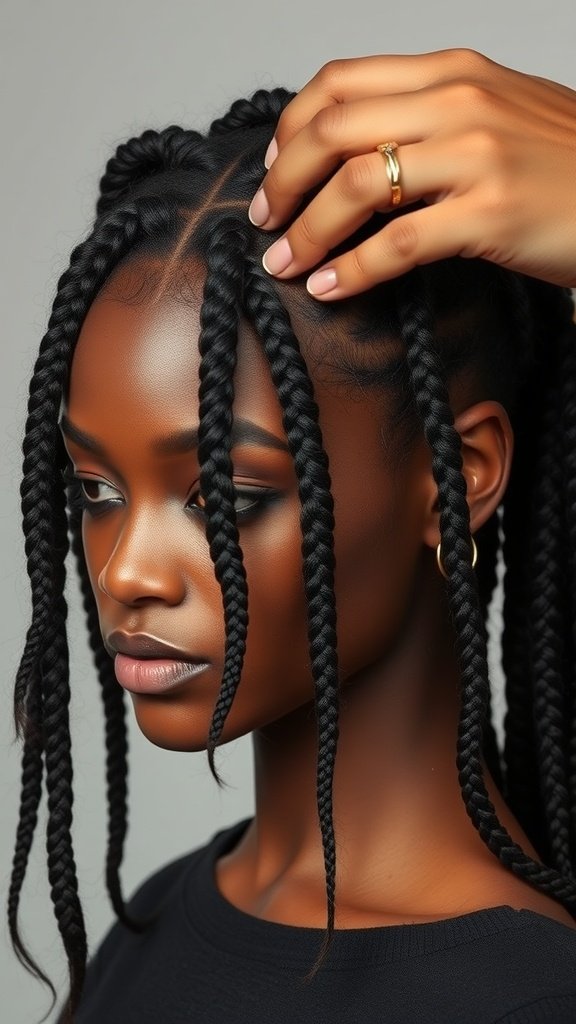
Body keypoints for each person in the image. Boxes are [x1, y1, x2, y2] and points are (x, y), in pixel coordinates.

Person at [8, 48, 576, 1024]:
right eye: (96, 485)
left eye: (219, 496)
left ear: (459, 478)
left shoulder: (528, 998)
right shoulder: (151, 925)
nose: (125, 570)